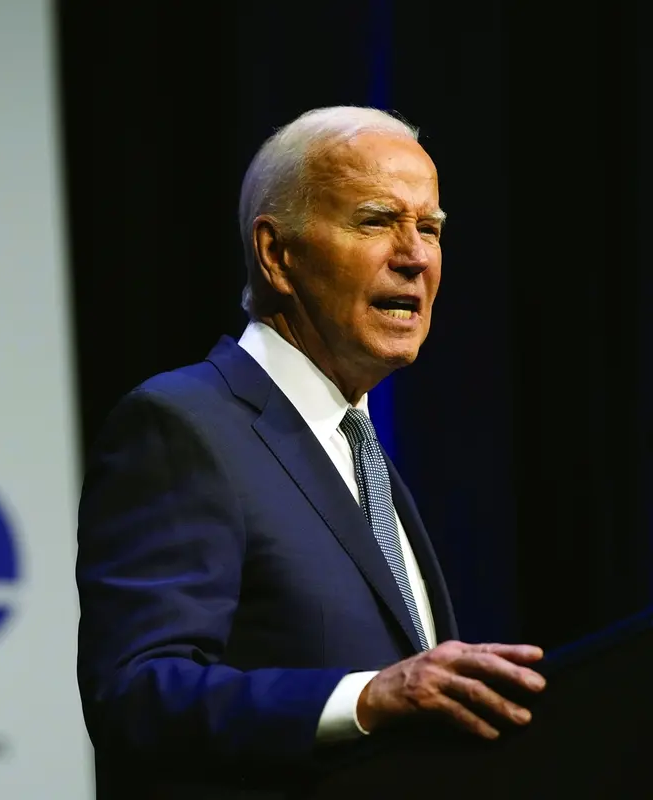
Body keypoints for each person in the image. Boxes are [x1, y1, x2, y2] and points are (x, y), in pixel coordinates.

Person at [74, 106, 547, 799]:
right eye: (377, 220)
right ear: (277, 254)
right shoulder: (184, 425)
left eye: (431, 228)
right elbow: (136, 695)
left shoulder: (365, 460)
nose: (415, 255)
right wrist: (362, 700)